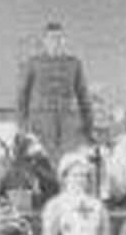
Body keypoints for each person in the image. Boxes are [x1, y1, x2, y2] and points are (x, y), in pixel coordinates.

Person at [16, 22, 93, 161]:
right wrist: (23, 125)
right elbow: (22, 95)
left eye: (59, 38)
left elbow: (83, 96)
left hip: (68, 122)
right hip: (41, 122)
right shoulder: (34, 63)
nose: (56, 42)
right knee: (43, 161)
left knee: (69, 160)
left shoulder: (74, 64)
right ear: (45, 41)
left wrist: (88, 125)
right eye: (52, 38)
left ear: (65, 41)